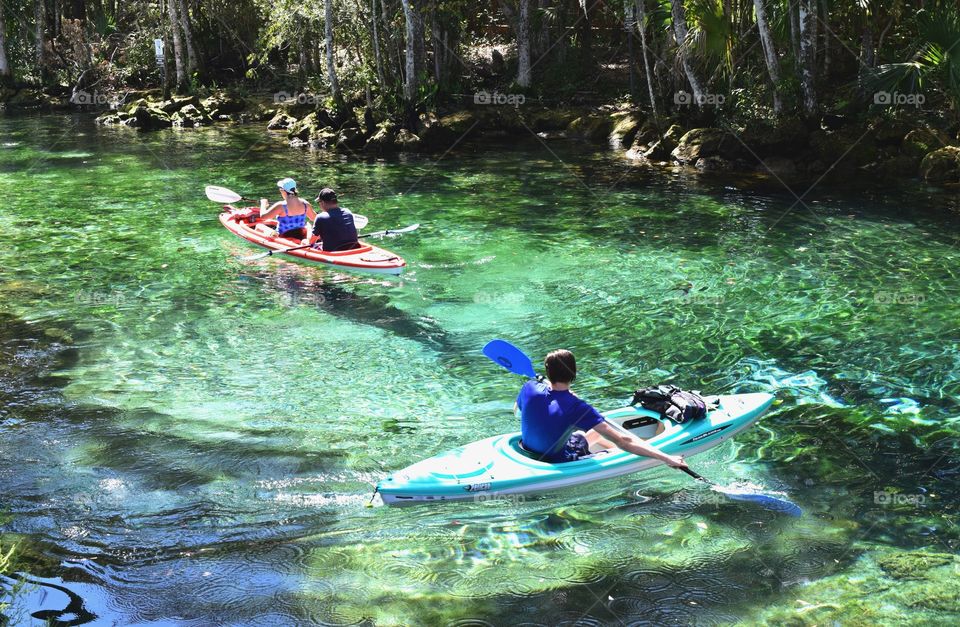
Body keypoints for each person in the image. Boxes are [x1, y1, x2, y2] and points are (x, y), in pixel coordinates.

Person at [517, 349, 689, 468]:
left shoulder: (529, 387)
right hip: (557, 460)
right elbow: (623, 440)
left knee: (589, 431)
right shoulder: (577, 408)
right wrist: (667, 458)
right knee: (609, 436)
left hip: (527, 451)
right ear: (574, 373)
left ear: (548, 373)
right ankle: (621, 455)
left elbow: (517, 411)